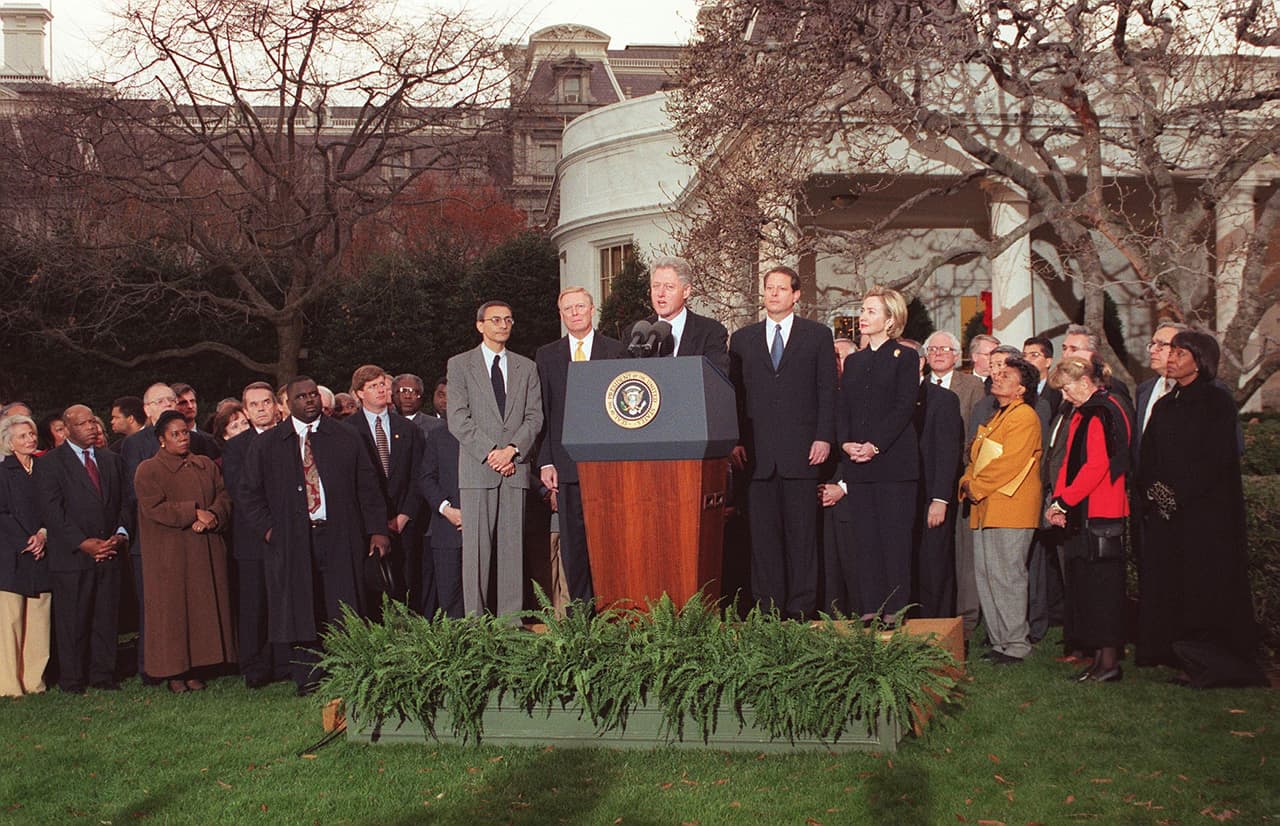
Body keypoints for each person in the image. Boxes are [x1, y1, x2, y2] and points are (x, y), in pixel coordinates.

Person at [240, 377, 389, 694]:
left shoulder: (346, 436)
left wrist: (377, 530)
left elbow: (368, 487)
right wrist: (269, 530)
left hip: (340, 535)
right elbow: (249, 495)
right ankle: (308, 677)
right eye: (300, 396)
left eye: (312, 395)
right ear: (286, 403)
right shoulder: (267, 444)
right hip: (291, 539)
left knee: (343, 604)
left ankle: (349, 672)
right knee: (300, 606)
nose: (309, 400)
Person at [1136, 330, 1264, 687]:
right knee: (1174, 587)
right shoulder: (1166, 404)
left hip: (1207, 520)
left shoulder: (1217, 402)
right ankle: (1180, 655)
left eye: (1180, 352)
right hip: (1168, 518)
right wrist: (1160, 496)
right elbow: (1148, 458)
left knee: (1205, 590)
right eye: (1170, 351)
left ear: (1200, 358)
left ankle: (1214, 663)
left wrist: (1179, 496)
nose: (1172, 357)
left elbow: (1215, 461)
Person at [728, 266, 835, 619]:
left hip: (802, 452)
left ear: (796, 295)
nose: (773, 294)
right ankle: (768, 610)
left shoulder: (817, 335)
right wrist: (737, 440)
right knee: (763, 541)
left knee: (802, 538)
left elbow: (826, 390)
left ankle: (802, 609)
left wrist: (823, 436)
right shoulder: (743, 339)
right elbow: (736, 397)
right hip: (757, 456)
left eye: (781, 288)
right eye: (769, 288)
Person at [447, 300, 544, 619]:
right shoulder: (460, 365)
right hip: (478, 471)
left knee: (512, 553)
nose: (503, 325)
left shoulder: (526, 367)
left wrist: (512, 450)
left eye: (508, 319)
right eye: (496, 319)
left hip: (515, 469)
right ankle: (475, 630)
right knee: (476, 555)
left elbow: (534, 417)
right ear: (480, 325)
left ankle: (510, 629)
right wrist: (492, 453)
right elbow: (458, 418)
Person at [536, 286, 626, 609]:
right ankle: (580, 613)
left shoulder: (617, 351)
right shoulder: (547, 356)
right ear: (561, 315)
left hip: (609, 465)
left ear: (592, 310)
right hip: (566, 464)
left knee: (609, 539)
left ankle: (614, 607)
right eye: (568, 309)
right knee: (573, 545)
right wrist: (546, 461)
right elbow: (543, 412)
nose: (575, 313)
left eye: (580, 306)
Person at [133, 410, 236, 693]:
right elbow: (153, 508)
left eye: (185, 433)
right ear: (161, 440)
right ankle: (173, 672)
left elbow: (224, 495)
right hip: (170, 554)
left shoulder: (205, 464)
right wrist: (193, 512)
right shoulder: (148, 469)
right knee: (173, 611)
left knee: (200, 608)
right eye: (175, 434)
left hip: (204, 549)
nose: (182, 439)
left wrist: (213, 515)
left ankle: (198, 666)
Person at [1045, 355, 1131, 682]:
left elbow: (1096, 466)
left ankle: (1109, 664)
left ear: (1084, 382)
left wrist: (1065, 501)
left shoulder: (1100, 412)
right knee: (1092, 589)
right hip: (1087, 511)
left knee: (1104, 590)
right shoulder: (1089, 411)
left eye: (1066, 389)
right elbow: (1071, 463)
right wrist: (1060, 502)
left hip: (1101, 512)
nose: (1064, 396)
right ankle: (1100, 661)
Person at [837, 286, 919, 621]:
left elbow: (903, 408)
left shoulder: (905, 356)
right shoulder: (854, 361)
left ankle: (895, 612)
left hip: (893, 466)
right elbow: (843, 407)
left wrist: (875, 445)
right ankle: (870, 609)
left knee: (893, 541)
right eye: (863, 310)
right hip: (858, 465)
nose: (862, 316)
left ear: (890, 320)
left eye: (871, 311)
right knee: (865, 541)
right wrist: (845, 442)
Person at [37, 404, 130, 693]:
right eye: (83, 423)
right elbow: (52, 511)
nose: (91, 427)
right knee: (72, 620)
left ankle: (103, 674)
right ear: (66, 429)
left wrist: (120, 533)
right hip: (73, 556)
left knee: (105, 616)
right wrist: (82, 542)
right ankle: (73, 679)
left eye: (93, 421)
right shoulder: (50, 463)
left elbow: (126, 501)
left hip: (110, 550)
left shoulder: (110, 460)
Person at [958, 357, 1042, 665]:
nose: (998, 377)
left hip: (1010, 507)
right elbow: (974, 456)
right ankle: (1000, 642)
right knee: (988, 575)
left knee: (1007, 576)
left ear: (1021, 389)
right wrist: (968, 480)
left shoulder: (1024, 417)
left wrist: (974, 485)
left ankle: (1017, 644)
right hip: (987, 507)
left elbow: (1010, 464)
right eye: (997, 372)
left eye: (1007, 375)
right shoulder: (997, 416)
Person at [345, 364, 424, 609]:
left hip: (404, 524)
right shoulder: (346, 431)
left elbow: (418, 475)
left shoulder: (409, 429)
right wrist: (375, 524)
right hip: (365, 528)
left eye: (382, 384)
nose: (381, 390)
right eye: (372, 386)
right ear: (359, 393)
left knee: (407, 593)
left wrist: (405, 515)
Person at [904, 341, 963, 619]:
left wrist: (940, 499)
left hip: (931, 497)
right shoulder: (889, 397)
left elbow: (947, 453)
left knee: (934, 564)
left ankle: (939, 627)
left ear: (919, 362)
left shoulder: (943, 399)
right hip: (901, 497)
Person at [0, 414, 51, 696]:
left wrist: (43, 535)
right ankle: (9, 685)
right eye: (23, 436)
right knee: (10, 622)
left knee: (39, 618)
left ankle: (35, 681)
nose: (30, 439)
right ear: (9, 442)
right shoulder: (2, 471)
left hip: (43, 551)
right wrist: (25, 540)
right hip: (11, 555)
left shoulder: (45, 469)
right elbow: (1, 513)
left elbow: (54, 506)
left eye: (31, 434)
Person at [632, 255, 730, 376]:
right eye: (656, 286)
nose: (660, 293)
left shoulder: (710, 333)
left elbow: (715, 381)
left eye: (669, 287)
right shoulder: (636, 334)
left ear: (686, 291)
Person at [417, 422, 466, 618]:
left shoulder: (490, 430)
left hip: (485, 529)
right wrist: (447, 510)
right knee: (451, 602)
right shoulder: (438, 435)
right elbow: (426, 478)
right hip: (447, 530)